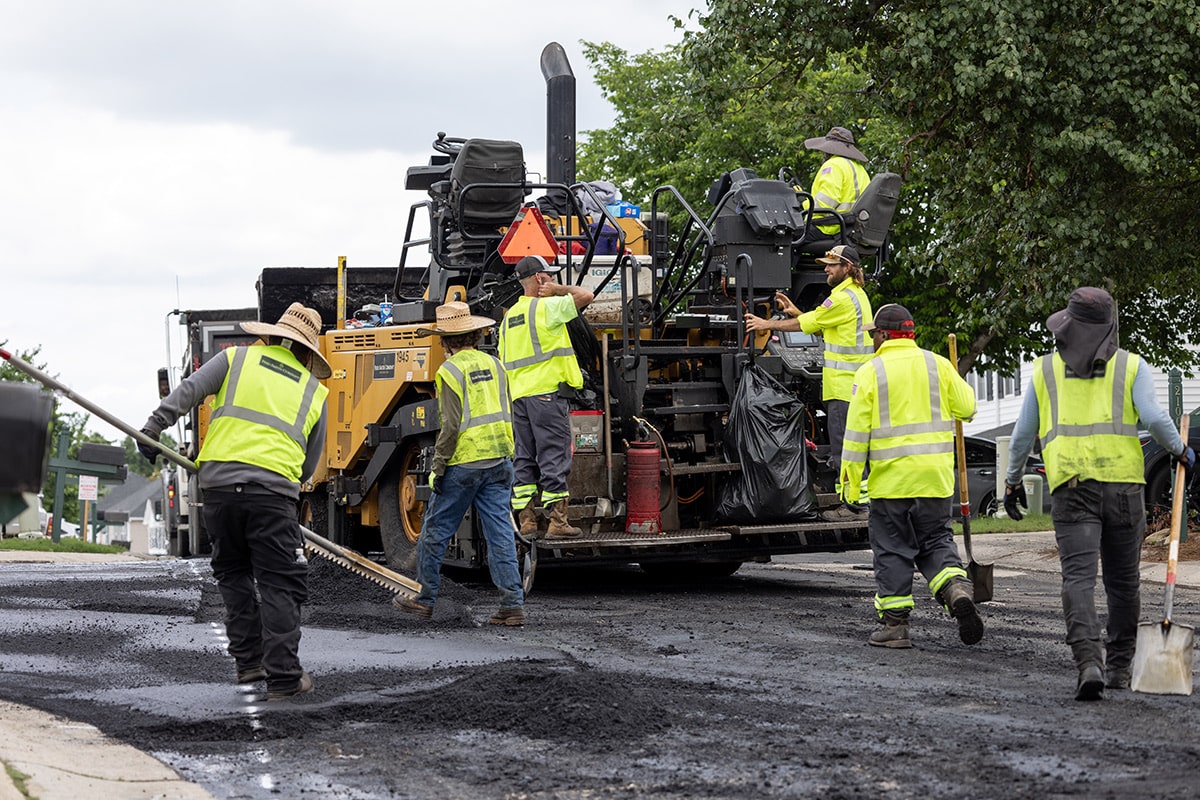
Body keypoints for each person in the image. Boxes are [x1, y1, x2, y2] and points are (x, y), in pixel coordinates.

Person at [1003, 286, 1194, 701]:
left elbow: (1021, 435)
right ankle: (1121, 667)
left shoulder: (1044, 371)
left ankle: (1089, 662)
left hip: (1072, 490)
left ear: (1068, 327)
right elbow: (1157, 419)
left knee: (1078, 578)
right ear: (1110, 327)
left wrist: (1012, 480)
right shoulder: (1131, 366)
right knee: (1124, 583)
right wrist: (1182, 452)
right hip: (1125, 489)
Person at [139, 302, 330, 701]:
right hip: (273, 496)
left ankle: (249, 663)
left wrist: (154, 426)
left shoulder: (234, 359)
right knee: (279, 584)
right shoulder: (314, 391)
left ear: (272, 335)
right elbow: (310, 464)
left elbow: (190, 390)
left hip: (219, 493)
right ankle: (283, 677)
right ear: (307, 351)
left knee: (234, 575)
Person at [840, 303, 984, 649]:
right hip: (934, 480)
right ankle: (957, 588)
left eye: (874, 333)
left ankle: (895, 626)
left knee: (892, 549)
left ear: (884, 334)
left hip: (892, 483)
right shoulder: (938, 365)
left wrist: (848, 483)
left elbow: (856, 435)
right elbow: (968, 408)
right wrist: (951, 379)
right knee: (935, 541)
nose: (873, 339)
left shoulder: (870, 372)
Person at [391, 301, 526, 626]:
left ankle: (422, 600)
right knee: (500, 534)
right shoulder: (496, 365)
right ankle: (512, 606)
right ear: (476, 335)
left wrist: (438, 467)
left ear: (445, 340)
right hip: (499, 460)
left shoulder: (449, 371)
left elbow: (450, 426)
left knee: (435, 532)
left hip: (464, 463)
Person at [744, 244, 874, 520]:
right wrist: (795, 311)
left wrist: (767, 324)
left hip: (843, 388)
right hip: (856, 387)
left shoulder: (841, 299)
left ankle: (854, 507)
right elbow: (818, 322)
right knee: (854, 448)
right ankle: (861, 504)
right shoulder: (856, 296)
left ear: (847, 268)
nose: (825, 268)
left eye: (831, 264)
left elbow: (809, 325)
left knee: (844, 450)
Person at [499, 255, 594, 540]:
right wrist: (558, 290)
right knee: (553, 456)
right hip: (546, 397)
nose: (552, 279)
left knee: (524, 458)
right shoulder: (547, 308)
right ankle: (557, 522)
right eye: (549, 276)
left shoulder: (509, 318)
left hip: (519, 399)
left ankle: (527, 521)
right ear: (540, 279)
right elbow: (586, 295)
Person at [798, 126, 871, 252]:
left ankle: (778, 272)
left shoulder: (833, 165)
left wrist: (802, 201)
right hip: (850, 229)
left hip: (828, 227)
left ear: (829, 149)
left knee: (782, 236)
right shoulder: (860, 169)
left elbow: (823, 206)